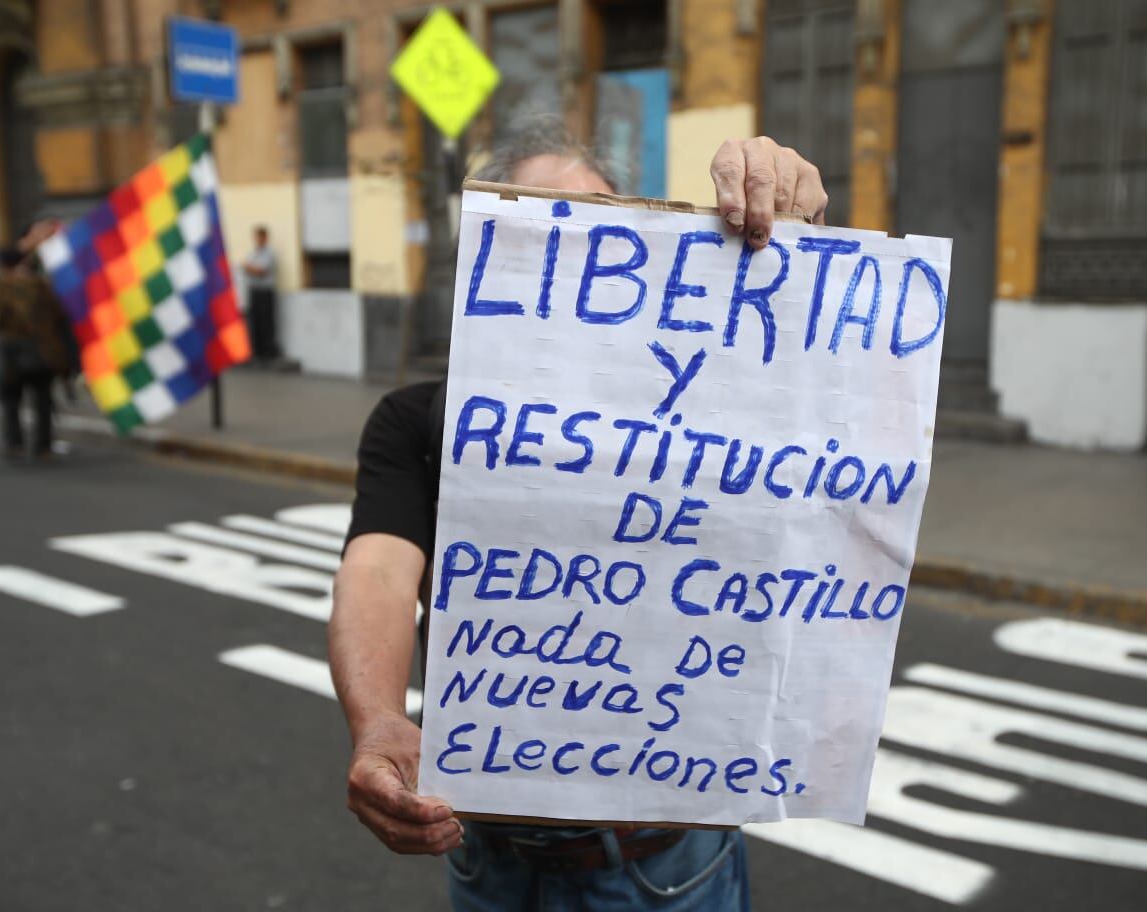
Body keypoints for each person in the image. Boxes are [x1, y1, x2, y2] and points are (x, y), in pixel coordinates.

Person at [329, 117, 829, 910]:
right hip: (488, 860)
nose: (583, 252)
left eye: (605, 226)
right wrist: (378, 719)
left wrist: (788, 221)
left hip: (668, 866)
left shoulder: (699, 405)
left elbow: (807, 401)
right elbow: (380, 573)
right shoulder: (418, 420)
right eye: (544, 227)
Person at [0, 246, 75, 461]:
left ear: (2, 265)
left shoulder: (3, 285)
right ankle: (43, 447)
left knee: (10, 398)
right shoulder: (42, 285)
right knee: (43, 399)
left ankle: (15, 444)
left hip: (14, 351)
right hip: (45, 350)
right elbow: (60, 314)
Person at [243, 225, 280, 362]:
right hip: (254, 291)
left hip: (265, 291)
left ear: (265, 237)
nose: (257, 239)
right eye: (255, 237)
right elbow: (246, 267)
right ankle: (256, 351)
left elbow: (261, 271)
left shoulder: (270, 253)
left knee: (266, 321)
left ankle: (268, 351)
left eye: (259, 237)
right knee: (255, 321)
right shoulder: (253, 253)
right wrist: (250, 268)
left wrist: (250, 268)